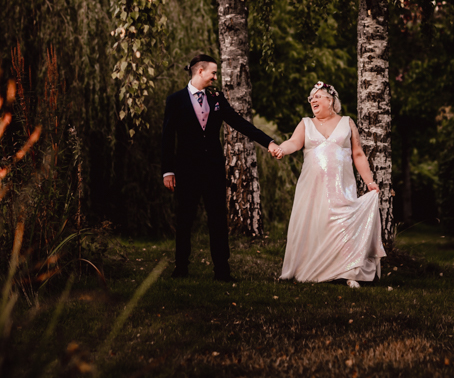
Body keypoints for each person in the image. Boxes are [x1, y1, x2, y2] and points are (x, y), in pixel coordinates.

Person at [161, 53, 280, 281]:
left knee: (217, 218)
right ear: (200, 71)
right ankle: (181, 267)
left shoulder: (216, 99)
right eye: (213, 73)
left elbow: (239, 123)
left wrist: (268, 142)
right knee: (185, 219)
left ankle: (222, 270)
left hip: (213, 170)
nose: (216, 77)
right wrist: (168, 171)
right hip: (185, 170)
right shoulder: (175, 100)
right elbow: (167, 137)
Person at [272, 81, 386, 287]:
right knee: (314, 224)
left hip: (342, 186)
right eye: (310, 98)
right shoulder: (306, 123)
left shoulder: (347, 123)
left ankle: (349, 272)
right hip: (312, 188)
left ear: (330, 100)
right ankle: (309, 268)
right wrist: (282, 148)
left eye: (317, 96)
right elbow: (294, 143)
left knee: (344, 225)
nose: (312, 100)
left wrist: (369, 182)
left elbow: (358, 153)